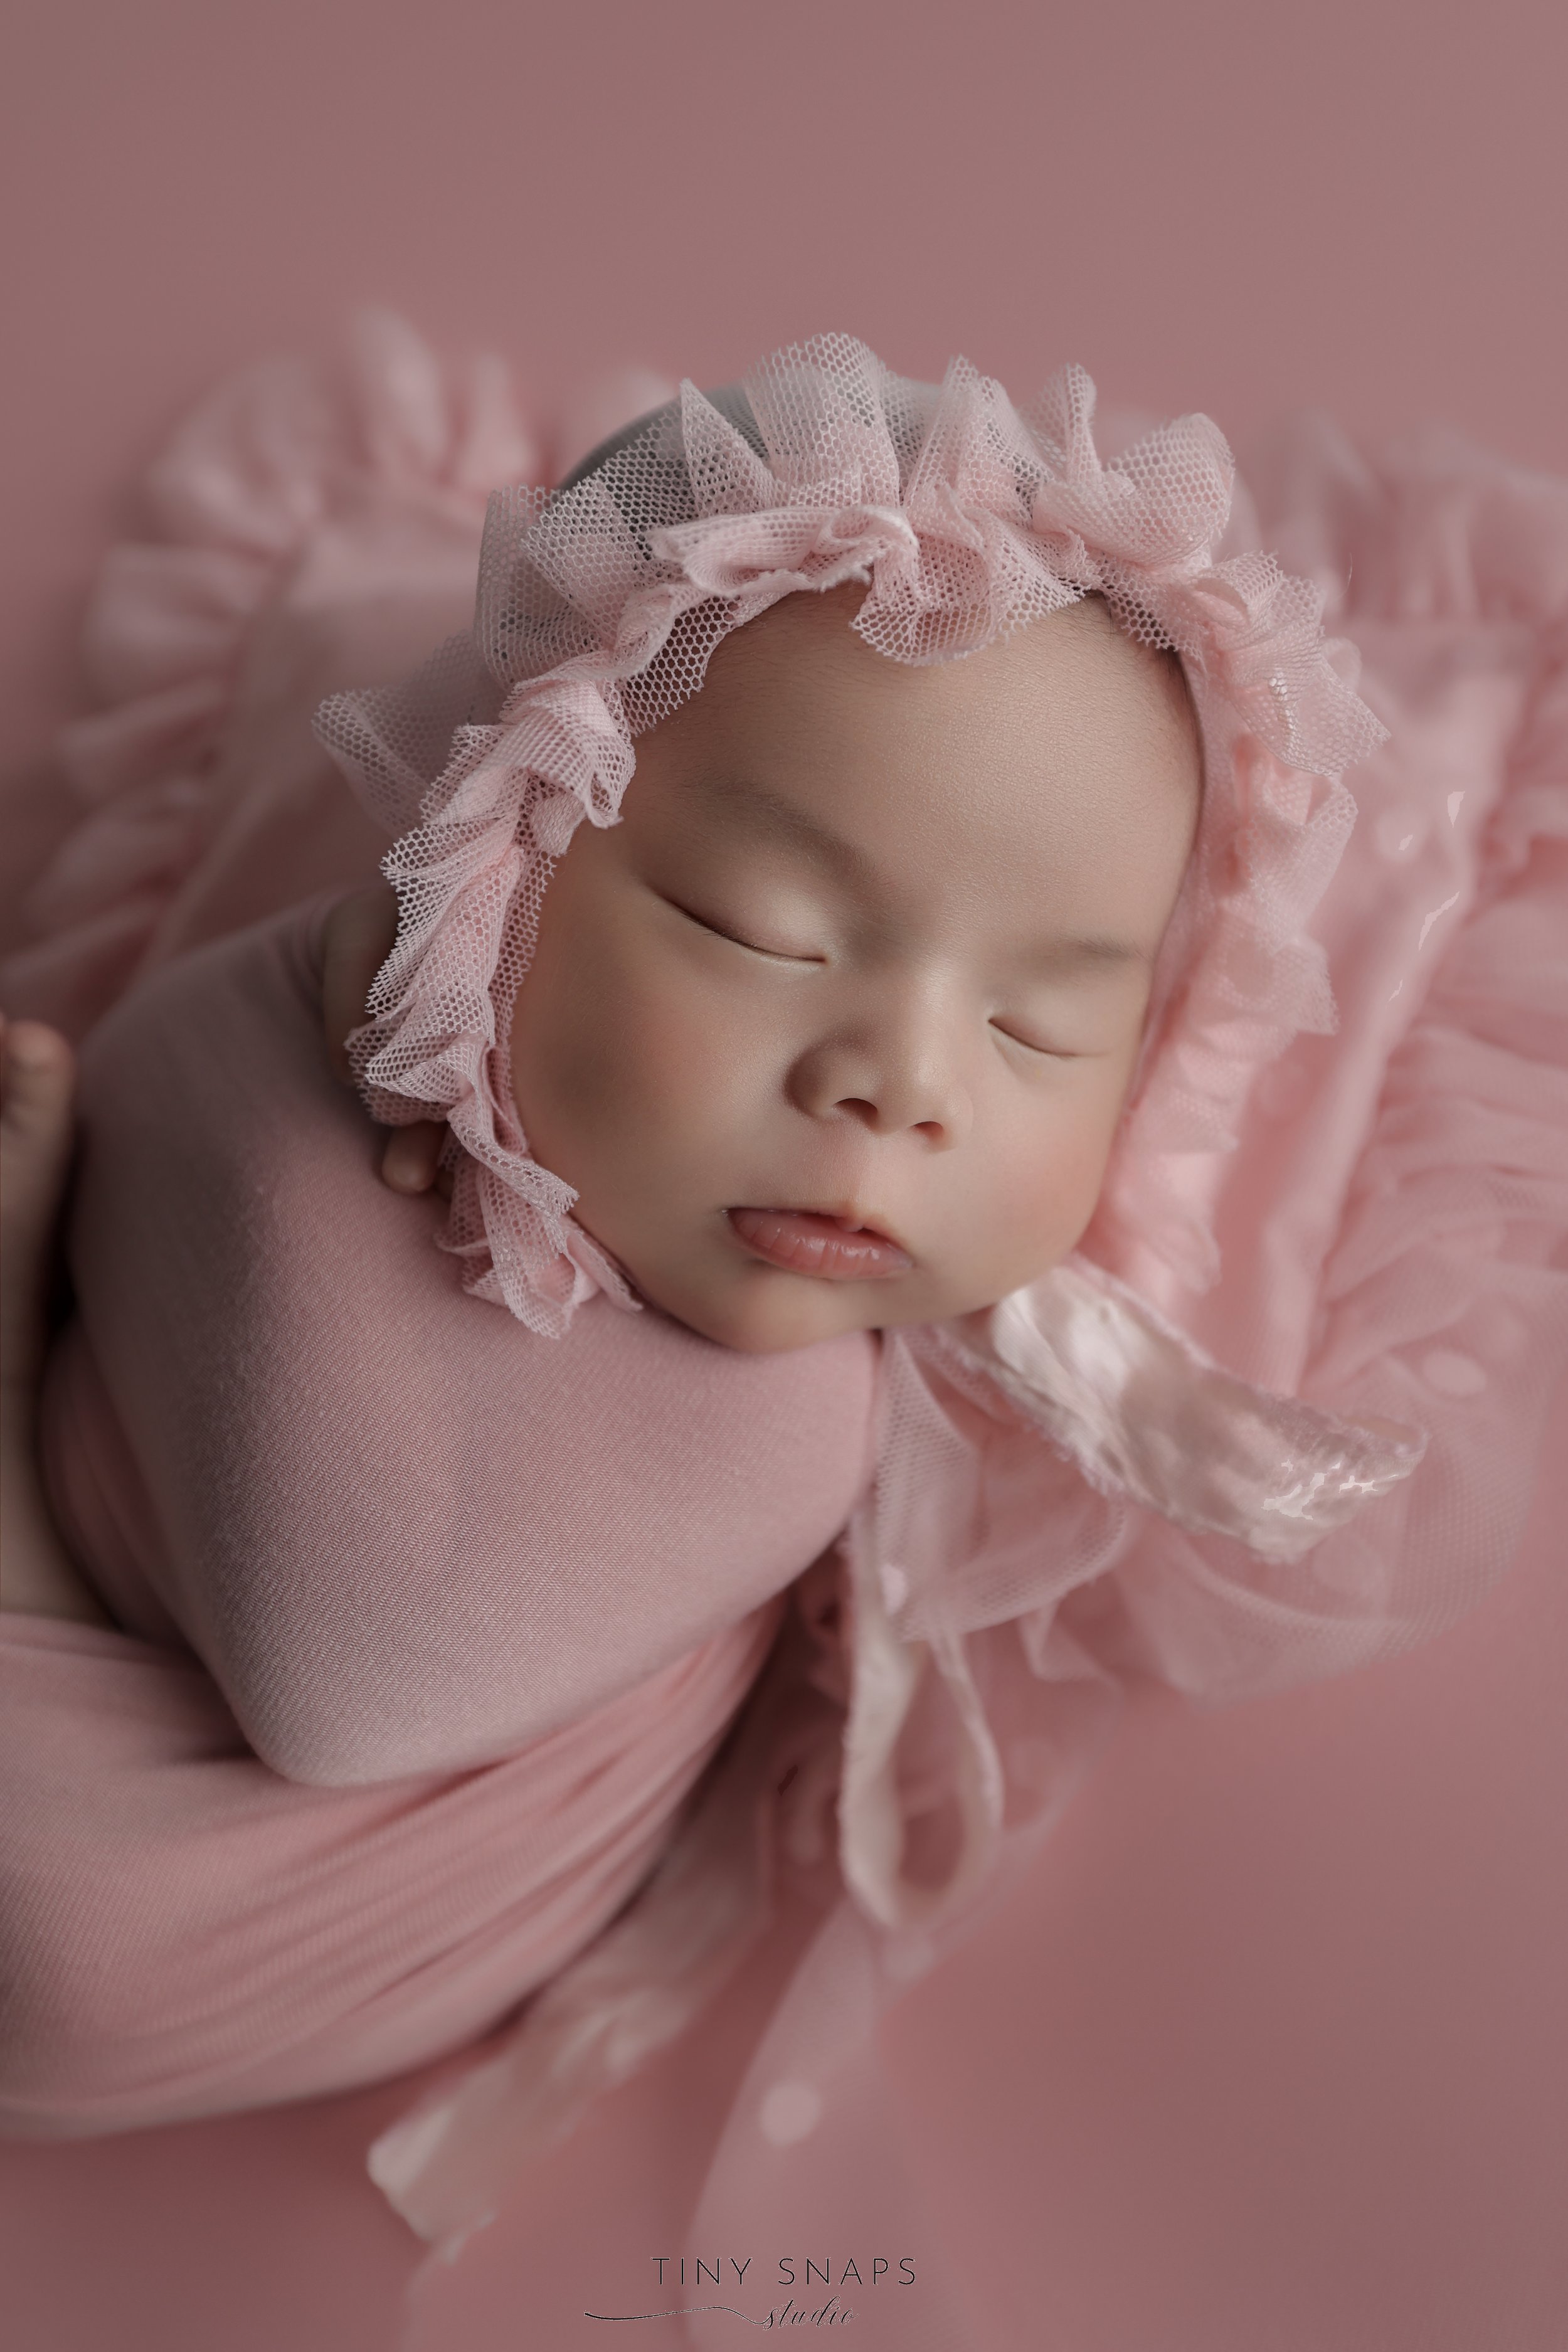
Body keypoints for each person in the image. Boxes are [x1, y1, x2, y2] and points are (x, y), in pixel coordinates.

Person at [3, 332, 1564, 2327]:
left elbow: (347, 1695)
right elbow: (157, 1077)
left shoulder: (773, 1427)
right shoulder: (317, 1081)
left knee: (51, 1922)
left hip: (199, 1931)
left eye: (1039, 1025)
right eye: (761, 929)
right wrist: (353, 1000)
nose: (900, 1083)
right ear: (508, 856)